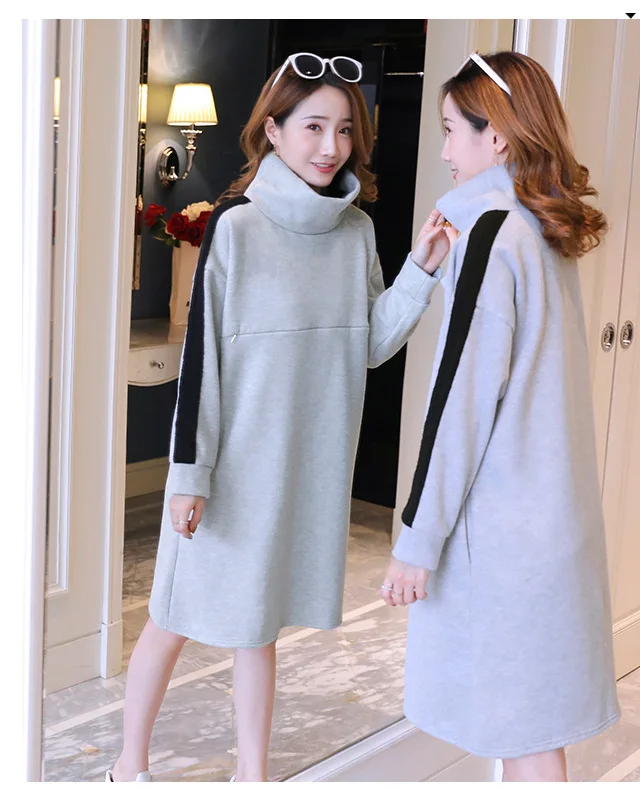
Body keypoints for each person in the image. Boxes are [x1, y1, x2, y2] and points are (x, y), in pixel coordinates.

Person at [107, 53, 451, 783]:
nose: (331, 146)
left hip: (303, 467)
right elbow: (202, 363)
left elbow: (371, 346)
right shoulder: (235, 227)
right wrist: (190, 475)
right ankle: (128, 766)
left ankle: (253, 773)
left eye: (345, 130)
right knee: (172, 616)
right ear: (273, 129)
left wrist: (421, 270)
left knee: (258, 627)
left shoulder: (356, 232)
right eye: (313, 127)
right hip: (227, 469)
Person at [380, 50, 621, 782]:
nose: (445, 151)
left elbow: (460, 402)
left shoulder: (491, 234)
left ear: (498, 137)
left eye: (451, 130)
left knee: (525, 732)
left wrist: (417, 539)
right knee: (535, 729)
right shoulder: (541, 231)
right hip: (550, 520)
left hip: (503, 531)